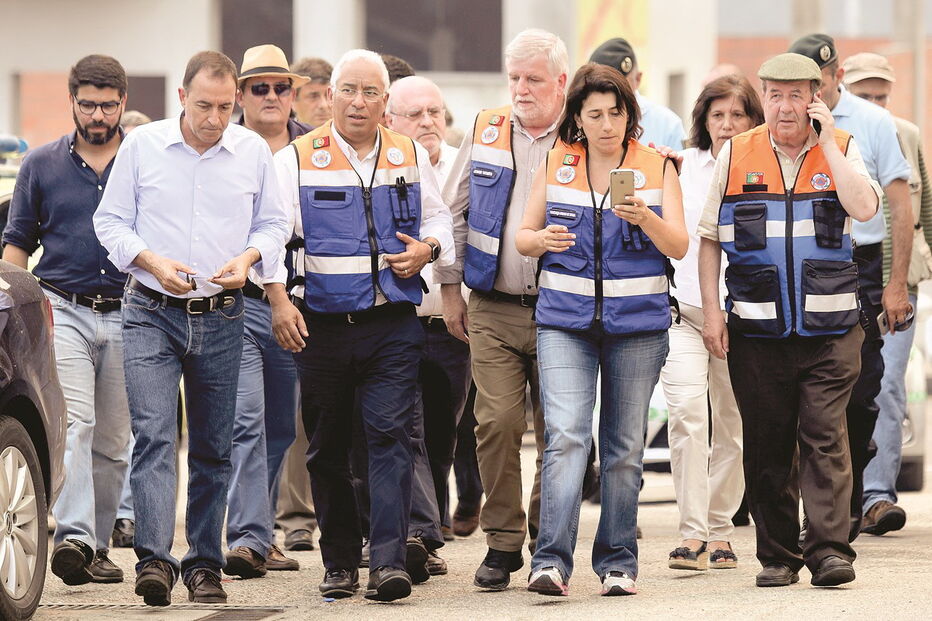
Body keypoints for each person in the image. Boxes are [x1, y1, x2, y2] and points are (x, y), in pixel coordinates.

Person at [93, 50, 290, 606]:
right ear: (181, 98)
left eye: (226, 106)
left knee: (213, 445)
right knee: (155, 435)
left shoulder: (251, 151)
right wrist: (152, 261)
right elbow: (109, 221)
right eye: (204, 105)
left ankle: (204, 563)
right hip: (151, 310)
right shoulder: (143, 146)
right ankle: (155, 561)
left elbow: (275, 223)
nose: (215, 117)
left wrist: (250, 258)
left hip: (222, 312)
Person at [271, 48, 453, 603]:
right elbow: (270, 235)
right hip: (320, 326)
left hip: (391, 324)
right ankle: (341, 562)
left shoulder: (407, 155)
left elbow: (439, 217)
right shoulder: (296, 160)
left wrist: (429, 249)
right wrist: (279, 301)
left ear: (385, 102)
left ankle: (389, 563)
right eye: (348, 90)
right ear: (330, 97)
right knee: (327, 448)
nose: (358, 102)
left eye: (371, 92)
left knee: (391, 439)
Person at [698, 52, 881, 588]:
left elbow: (865, 209)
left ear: (816, 97)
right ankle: (778, 554)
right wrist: (712, 313)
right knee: (768, 441)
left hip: (831, 330)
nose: (784, 106)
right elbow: (709, 239)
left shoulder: (842, 148)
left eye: (796, 94)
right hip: (756, 330)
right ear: (764, 97)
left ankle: (828, 551)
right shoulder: (737, 154)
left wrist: (826, 145)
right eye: (774, 94)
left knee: (825, 436)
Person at [516, 62, 686, 597]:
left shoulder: (657, 166)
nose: (607, 124)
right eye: (596, 115)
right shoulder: (557, 162)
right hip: (564, 323)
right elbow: (522, 236)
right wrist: (541, 240)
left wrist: (645, 219)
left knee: (623, 447)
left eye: (616, 113)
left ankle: (617, 562)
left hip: (637, 326)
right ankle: (549, 562)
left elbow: (678, 245)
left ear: (629, 114)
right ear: (579, 118)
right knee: (566, 437)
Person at [435, 28, 567, 591]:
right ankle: (502, 542)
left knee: (563, 431)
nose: (521, 89)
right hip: (493, 304)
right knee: (496, 424)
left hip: (566, 309)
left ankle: (546, 537)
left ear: (560, 82)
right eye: (514, 78)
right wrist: (448, 289)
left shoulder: (583, 134)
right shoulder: (487, 129)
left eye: (533, 79)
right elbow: (454, 212)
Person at [2, 54, 131, 586]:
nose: (97, 115)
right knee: (76, 424)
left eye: (107, 104)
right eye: (87, 104)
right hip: (65, 309)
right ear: (72, 102)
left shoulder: (143, 161)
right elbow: (16, 245)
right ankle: (74, 538)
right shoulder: (41, 164)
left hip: (132, 314)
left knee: (116, 439)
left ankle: (98, 545)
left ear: (123, 103)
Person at [788, 34, 913, 540]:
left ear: (836, 76)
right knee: (803, 396)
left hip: (860, 266)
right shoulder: (778, 122)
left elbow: (901, 207)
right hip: (800, 265)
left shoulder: (876, 123)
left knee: (862, 394)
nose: (811, 93)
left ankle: (855, 494)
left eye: (819, 82)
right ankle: (816, 516)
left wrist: (896, 283)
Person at [661, 74, 763, 572]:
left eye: (737, 115)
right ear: (702, 120)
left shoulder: (762, 165)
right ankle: (692, 535)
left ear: (752, 119)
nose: (726, 125)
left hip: (740, 315)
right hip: (682, 312)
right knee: (686, 417)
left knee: (732, 424)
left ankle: (722, 531)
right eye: (716, 115)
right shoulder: (681, 167)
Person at [222, 43, 312, 580]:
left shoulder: (315, 147)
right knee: (247, 422)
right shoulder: (224, 146)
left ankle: (262, 530)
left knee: (282, 425)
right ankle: (249, 538)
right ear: (241, 95)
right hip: (244, 305)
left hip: (306, 307)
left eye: (282, 87)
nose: (273, 96)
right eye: (260, 88)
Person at [843, 52, 932, 535]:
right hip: (850, 280)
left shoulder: (907, 133)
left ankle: (878, 497)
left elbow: (923, 210)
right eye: (865, 94)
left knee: (889, 384)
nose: (875, 102)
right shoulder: (839, 136)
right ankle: (846, 494)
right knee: (846, 390)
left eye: (882, 94)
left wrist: (911, 275)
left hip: (900, 283)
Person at [387, 75, 471, 545]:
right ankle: (418, 532)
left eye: (434, 112)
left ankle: (432, 519)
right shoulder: (387, 170)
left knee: (442, 438)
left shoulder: (463, 168)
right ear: (391, 119)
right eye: (415, 114)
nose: (427, 122)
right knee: (405, 431)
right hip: (401, 324)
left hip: (452, 328)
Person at [589, 37, 686, 150]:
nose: (613, 95)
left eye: (622, 86)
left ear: (638, 79)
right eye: (603, 88)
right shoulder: (579, 123)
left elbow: (684, 166)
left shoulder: (668, 125)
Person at [291, 56, 333, 128]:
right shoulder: (282, 137)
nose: (324, 105)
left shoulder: (350, 137)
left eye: (330, 95)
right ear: (292, 101)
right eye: (313, 96)